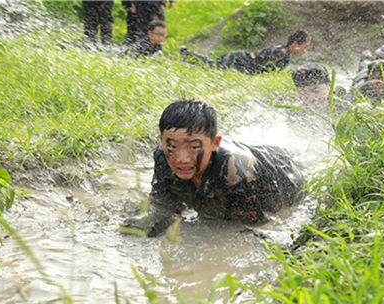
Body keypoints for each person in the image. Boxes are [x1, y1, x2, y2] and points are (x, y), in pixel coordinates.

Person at [121, 99, 306, 237]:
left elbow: (252, 228)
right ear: (162, 141)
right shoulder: (163, 154)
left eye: (194, 147)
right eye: (173, 146)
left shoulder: (235, 171)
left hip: (283, 173)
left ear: (214, 143)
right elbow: (162, 203)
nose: (181, 159)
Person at [179, 30, 310, 75]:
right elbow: (267, 73)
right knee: (211, 65)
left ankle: (188, 56)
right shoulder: (282, 55)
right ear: (295, 44)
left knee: (212, 64)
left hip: (240, 58)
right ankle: (187, 55)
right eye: (304, 47)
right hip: (239, 61)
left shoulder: (280, 48)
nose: (305, 51)